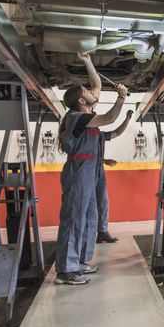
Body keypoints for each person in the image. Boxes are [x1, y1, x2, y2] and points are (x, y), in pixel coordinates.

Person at [55, 52, 128, 285]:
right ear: (81, 100)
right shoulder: (77, 117)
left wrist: (87, 61)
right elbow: (110, 118)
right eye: (86, 91)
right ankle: (65, 270)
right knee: (74, 217)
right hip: (79, 171)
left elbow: (97, 85)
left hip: (91, 170)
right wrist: (120, 98)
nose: (91, 91)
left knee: (89, 217)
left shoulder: (86, 115)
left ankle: (79, 261)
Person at [94, 110, 134, 244]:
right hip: (86, 171)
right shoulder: (84, 136)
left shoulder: (100, 135)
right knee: (88, 203)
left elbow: (117, 132)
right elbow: (85, 156)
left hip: (99, 171)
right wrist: (104, 160)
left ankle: (102, 232)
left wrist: (127, 119)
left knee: (103, 201)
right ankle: (85, 233)